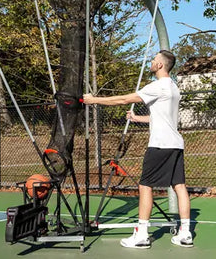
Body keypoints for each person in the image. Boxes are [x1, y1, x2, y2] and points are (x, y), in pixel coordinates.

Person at [82, 50, 193, 249]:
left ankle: (141, 235)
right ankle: (185, 233)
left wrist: (94, 100)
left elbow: (124, 99)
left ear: (160, 65)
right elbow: (162, 118)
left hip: (160, 144)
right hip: (176, 144)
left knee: (145, 186)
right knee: (179, 185)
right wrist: (136, 118)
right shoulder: (174, 88)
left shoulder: (157, 86)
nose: (151, 62)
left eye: (154, 60)